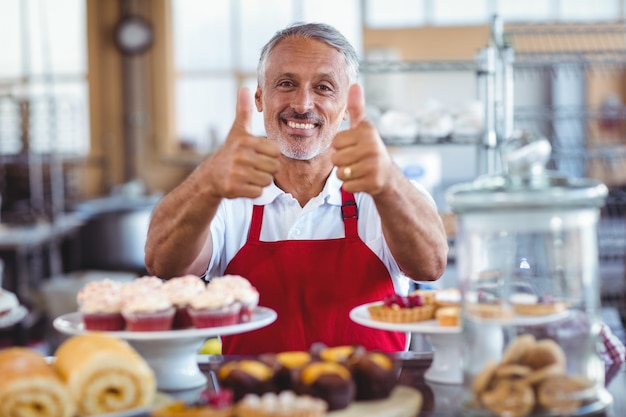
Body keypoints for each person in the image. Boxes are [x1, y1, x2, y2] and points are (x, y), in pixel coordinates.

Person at [145, 22, 448, 354]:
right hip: (253, 400)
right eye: (286, 84)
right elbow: (164, 265)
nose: (303, 104)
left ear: (347, 105)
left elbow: (430, 266)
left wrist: (389, 181)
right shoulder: (228, 198)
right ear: (260, 97)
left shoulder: (383, 192)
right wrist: (205, 183)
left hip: (374, 400)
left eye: (323, 87)